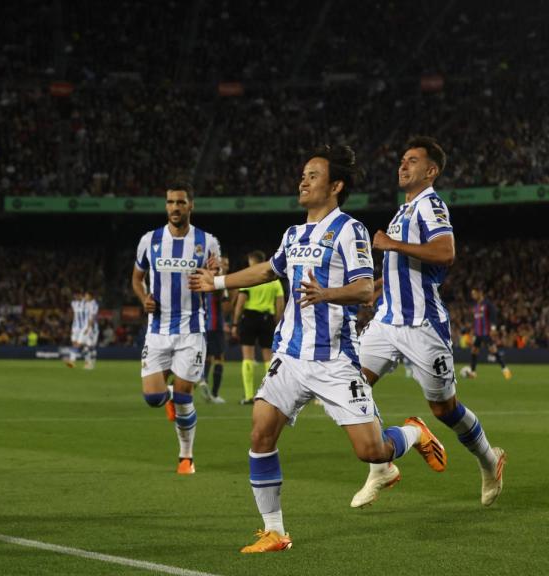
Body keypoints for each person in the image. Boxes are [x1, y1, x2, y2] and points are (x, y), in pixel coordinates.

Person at [190, 145, 446, 553]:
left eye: (313, 175)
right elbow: (266, 270)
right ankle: (275, 532)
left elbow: (365, 288)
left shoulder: (350, 230)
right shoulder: (292, 235)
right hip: (289, 357)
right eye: (303, 174)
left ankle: (413, 432)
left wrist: (327, 293)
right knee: (260, 434)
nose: (303, 181)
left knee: (371, 450)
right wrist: (217, 283)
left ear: (336, 185)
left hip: (335, 360)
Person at [353, 137, 506, 508]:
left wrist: (392, 244)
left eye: (412, 161)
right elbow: (400, 268)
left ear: (431, 171)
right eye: (402, 160)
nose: (402, 166)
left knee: (445, 409)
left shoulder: (430, 205)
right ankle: (383, 466)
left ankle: (489, 459)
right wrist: (371, 287)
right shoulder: (402, 212)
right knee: (350, 385)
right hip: (387, 321)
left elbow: (445, 252)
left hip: (423, 325)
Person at [132, 180, 221, 475]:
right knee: (154, 399)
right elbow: (136, 278)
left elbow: (217, 280)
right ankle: (167, 395)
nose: (175, 207)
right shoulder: (150, 240)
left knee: (184, 398)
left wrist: (215, 274)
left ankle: (186, 457)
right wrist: (144, 297)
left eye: (181, 202)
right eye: (170, 202)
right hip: (157, 330)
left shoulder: (207, 241)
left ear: (191, 205)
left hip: (191, 331)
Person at [230, 251, 285, 404]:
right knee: (268, 357)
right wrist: (278, 323)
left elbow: (241, 302)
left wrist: (235, 323)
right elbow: (280, 305)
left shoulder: (249, 279)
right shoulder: (274, 281)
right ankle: (269, 395)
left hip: (249, 317)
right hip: (267, 319)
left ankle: (248, 396)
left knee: (247, 356)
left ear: (251, 261)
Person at [197, 256, 228, 403]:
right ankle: (214, 394)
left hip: (202, 324)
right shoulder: (219, 283)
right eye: (223, 264)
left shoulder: (200, 280)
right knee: (219, 358)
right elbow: (225, 305)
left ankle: (203, 380)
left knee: (207, 357)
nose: (225, 266)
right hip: (215, 325)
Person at [467, 286, 512, 380]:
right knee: (474, 350)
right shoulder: (476, 306)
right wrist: (472, 331)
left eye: (474, 293)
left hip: (486, 332)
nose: (473, 296)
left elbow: (493, 315)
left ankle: (505, 369)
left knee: (493, 350)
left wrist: (493, 328)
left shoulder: (487, 304)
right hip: (478, 333)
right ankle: (473, 372)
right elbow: (475, 320)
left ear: (480, 293)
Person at [81, 290, 100, 369]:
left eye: (86, 295)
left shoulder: (94, 305)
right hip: (86, 327)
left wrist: (88, 328)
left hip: (92, 328)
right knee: (86, 346)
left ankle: (91, 363)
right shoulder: (86, 304)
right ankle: (88, 363)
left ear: (90, 296)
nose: (85, 297)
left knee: (90, 346)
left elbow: (92, 317)